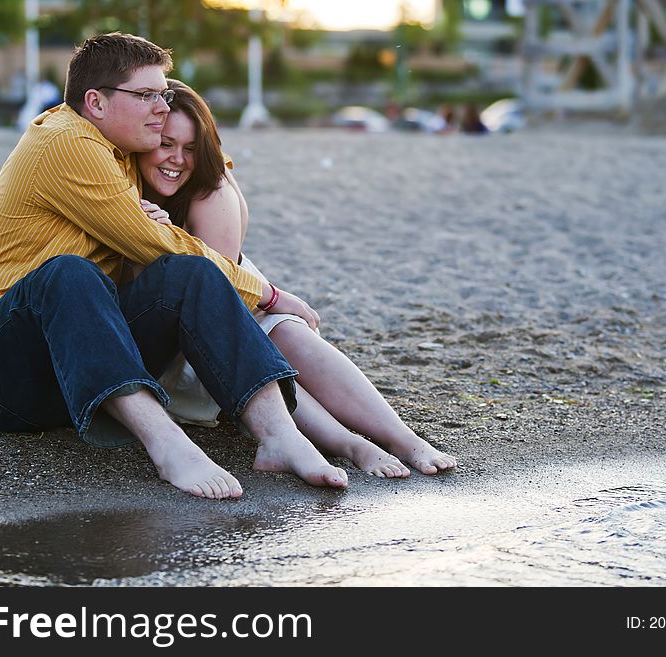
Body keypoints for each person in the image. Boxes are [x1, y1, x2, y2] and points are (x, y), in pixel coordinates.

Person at [0, 32, 349, 500]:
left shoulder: (129, 152)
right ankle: (168, 444)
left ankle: (279, 435)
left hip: (79, 374)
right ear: (95, 101)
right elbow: (149, 241)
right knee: (69, 272)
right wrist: (269, 294)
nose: (161, 106)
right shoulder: (64, 143)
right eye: (146, 94)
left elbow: (209, 166)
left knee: (190, 272)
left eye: (164, 92)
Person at [135, 79, 457, 477]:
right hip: (172, 340)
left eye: (189, 148)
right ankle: (350, 444)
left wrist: (269, 299)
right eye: (166, 143)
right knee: (269, 349)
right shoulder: (117, 184)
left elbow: (216, 294)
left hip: (222, 311)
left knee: (285, 333)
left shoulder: (211, 192)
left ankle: (401, 437)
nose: (177, 159)